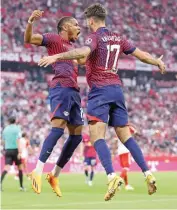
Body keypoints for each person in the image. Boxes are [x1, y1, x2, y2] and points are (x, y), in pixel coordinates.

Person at [38, 3, 166, 201]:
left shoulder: (94, 37)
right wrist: (157, 62)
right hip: (117, 90)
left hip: (100, 90)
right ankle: (147, 173)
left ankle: (111, 175)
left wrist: (58, 55)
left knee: (97, 135)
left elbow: (83, 52)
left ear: (91, 20)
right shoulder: (118, 38)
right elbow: (141, 55)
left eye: (86, 22)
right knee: (126, 136)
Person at [24, 10, 83, 196]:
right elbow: (30, 39)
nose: (78, 27)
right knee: (57, 128)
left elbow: (85, 58)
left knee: (77, 136)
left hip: (74, 91)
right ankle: (38, 170)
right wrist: (30, 22)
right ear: (65, 27)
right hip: (61, 88)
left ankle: (54, 175)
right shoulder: (54, 39)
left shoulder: (73, 48)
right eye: (75, 24)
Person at [1, 117, 25, 191]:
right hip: (15, 150)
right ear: (15, 121)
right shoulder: (17, 129)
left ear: (8, 121)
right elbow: (18, 140)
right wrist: (20, 152)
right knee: (20, 168)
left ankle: (0, 184)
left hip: (8, 150)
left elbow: (3, 141)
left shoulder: (5, 129)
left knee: (6, 168)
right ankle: (21, 186)